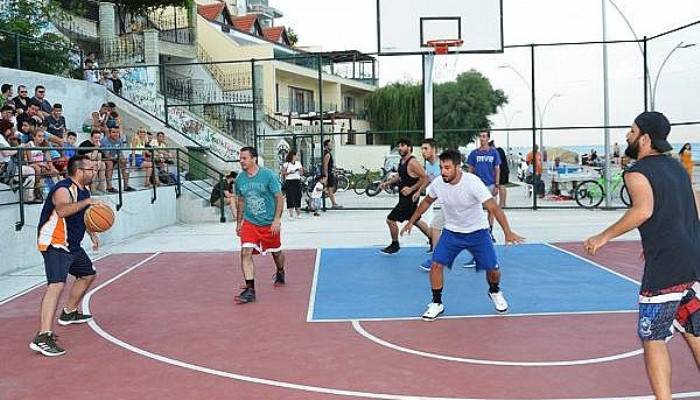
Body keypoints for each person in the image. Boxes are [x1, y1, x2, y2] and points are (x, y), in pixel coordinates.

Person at [584, 111, 700, 400]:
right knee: (695, 332)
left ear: (645, 138)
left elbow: (643, 210)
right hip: (693, 263)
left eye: (632, 131)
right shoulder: (678, 168)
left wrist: (603, 236)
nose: (627, 135)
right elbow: (694, 209)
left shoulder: (636, 172)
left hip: (666, 270)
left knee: (654, 339)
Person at [401, 149, 525, 320]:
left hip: (478, 232)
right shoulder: (438, 183)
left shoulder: (472, 183)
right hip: (452, 232)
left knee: (493, 269)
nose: (443, 172)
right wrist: (411, 221)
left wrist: (507, 231)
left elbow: (493, 207)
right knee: (436, 265)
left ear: (458, 167)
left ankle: (495, 291)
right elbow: (427, 202)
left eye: (447, 168)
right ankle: (437, 303)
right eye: (442, 168)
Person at [30, 155, 101, 356]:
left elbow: (82, 215)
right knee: (56, 285)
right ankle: (43, 336)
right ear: (79, 171)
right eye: (90, 169)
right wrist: (88, 201)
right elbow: (62, 211)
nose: (93, 172)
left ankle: (69, 312)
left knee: (88, 274)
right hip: (55, 243)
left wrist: (92, 234)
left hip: (72, 245)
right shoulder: (63, 189)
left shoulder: (84, 190)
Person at [234, 147, 286, 304]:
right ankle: (250, 290)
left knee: (276, 253)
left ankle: (280, 271)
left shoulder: (268, 176)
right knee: (245, 252)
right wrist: (239, 222)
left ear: (254, 159)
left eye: (244, 158)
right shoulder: (240, 179)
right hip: (250, 222)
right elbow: (241, 200)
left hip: (269, 223)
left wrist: (277, 219)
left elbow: (279, 197)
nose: (241, 161)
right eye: (240, 158)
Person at [379, 138, 431, 255]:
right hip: (403, 197)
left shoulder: (413, 162)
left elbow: (425, 177)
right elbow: (399, 175)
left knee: (390, 219)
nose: (400, 148)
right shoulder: (402, 161)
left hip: (410, 199)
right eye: (399, 146)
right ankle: (434, 239)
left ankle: (395, 244)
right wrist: (387, 183)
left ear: (409, 147)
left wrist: (412, 189)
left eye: (402, 145)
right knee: (416, 220)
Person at [467, 131, 501, 241]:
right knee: (475, 210)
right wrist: (469, 185)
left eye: (484, 136)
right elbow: (470, 169)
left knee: (491, 210)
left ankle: (489, 232)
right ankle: (476, 233)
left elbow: (497, 169)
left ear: (488, 138)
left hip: (490, 185)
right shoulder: (474, 153)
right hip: (477, 186)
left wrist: (497, 184)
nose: (481, 138)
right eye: (480, 136)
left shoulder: (494, 153)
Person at [281, 150, 303, 220]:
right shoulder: (286, 164)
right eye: (296, 155)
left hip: (297, 180)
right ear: (293, 156)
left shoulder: (298, 163)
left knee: (298, 196)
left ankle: (298, 213)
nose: (297, 157)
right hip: (289, 181)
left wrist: (300, 170)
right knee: (290, 197)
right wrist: (290, 172)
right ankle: (291, 214)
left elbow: (301, 173)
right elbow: (283, 173)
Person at [321, 139, 341, 208]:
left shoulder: (326, 153)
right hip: (328, 174)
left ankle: (334, 203)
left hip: (329, 173)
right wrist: (326, 176)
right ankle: (334, 204)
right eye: (329, 145)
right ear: (326, 146)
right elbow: (325, 166)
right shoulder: (327, 155)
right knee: (329, 189)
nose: (331, 146)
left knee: (329, 189)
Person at [492, 140, 509, 208]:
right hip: (504, 170)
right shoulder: (500, 150)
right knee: (502, 186)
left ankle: (502, 204)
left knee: (501, 186)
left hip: (502, 171)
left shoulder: (497, 151)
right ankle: (503, 203)